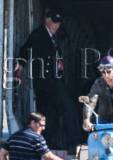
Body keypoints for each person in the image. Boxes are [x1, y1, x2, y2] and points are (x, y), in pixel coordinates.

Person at [16, 9, 77, 150]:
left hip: (52, 80)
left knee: (51, 113)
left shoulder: (53, 36)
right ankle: (73, 142)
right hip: (47, 81)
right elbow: (27, 48)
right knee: (67, 108)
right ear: (47, 20)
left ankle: (48, 143)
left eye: (58, 23)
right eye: (54, 22)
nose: (57, 25)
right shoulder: (39, 34)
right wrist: (21, 63)